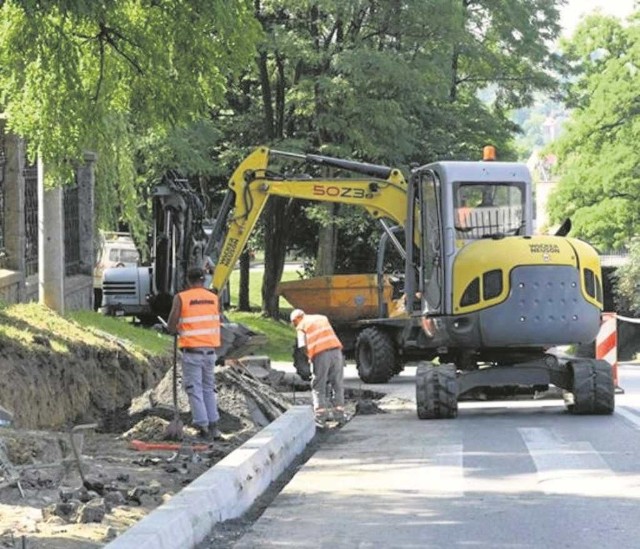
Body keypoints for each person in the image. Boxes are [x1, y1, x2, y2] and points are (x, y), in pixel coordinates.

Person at [167, 267, 222, 441]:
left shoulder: (182, 298)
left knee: (194, 389)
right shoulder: (214, 298)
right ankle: (214, 426)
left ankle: (202, 425)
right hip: (210, 351)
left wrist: (172, 329)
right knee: (208, 388)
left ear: (188, 280)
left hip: (192, 352)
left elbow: (171, 323)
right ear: (204, 279)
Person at [290, 308, 346, 425]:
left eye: (294, 323)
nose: (295, 326)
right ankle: (339, 415)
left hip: (321, 355)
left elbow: (302, 346)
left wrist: (309, 357)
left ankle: (320, 416)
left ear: (296, 320)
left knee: (318, 386)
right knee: (337, 384)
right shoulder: (321, 318)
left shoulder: (301, 325)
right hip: (337, 352)